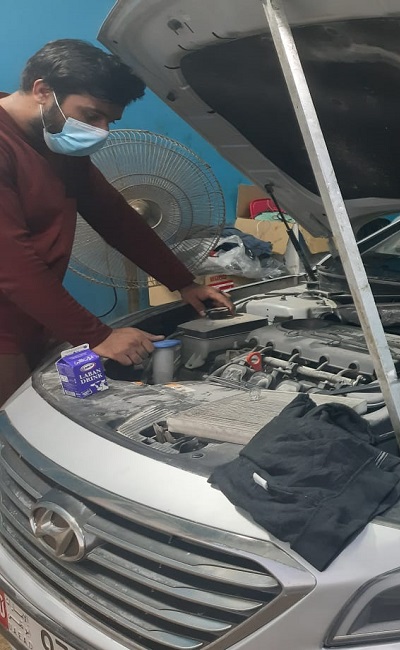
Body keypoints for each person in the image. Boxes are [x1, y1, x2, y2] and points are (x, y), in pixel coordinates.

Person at [0, 39, 233, 403]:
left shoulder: (54, 139)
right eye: (92, 115)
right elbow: (11, 263)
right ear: (43, 91)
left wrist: (183, 282)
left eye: (110, 120)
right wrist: (97, 335)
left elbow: (115, 216)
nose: (101, 130)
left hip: (33, 315)